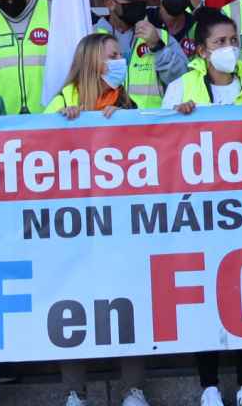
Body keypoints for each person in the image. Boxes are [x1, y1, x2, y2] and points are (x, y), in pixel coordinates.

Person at [43, 33, 148, 406]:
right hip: (73, 222)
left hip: (121, 220)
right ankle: (74, 391)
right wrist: (61, 125)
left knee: (128, 301)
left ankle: (133, 388)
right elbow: (37, 156)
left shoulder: (126, 100)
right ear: (91, 63)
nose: (120, 60)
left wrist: (127, 121)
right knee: (72, 301)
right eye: (113, 55)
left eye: (120, 55)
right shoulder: (62, 100)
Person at [169, 9, 242, 406]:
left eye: (233, 41)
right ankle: (208, 385)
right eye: (219, 43)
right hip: (201, 210)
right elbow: (164, 146)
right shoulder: (181, 89)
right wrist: (178, 121)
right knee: (204, 297)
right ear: (202, 50)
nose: (229, 49)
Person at [96, 0, 189, 109]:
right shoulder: (90, 37)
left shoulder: (161, 36)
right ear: (110, 3)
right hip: (104, 124)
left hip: (152, 126)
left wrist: (158, 47)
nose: (140, 1)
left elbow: (185, 82)